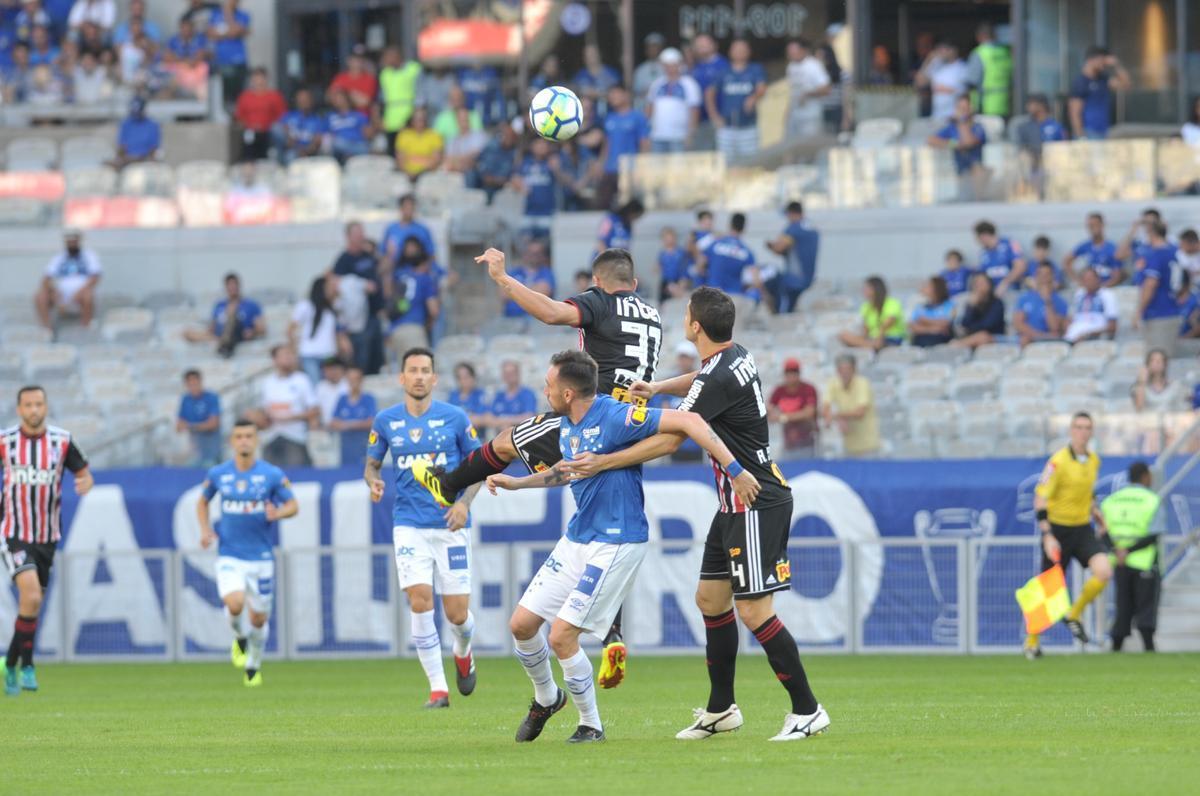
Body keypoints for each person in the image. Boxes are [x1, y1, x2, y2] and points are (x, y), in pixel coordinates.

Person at [568, 289, 826, 742]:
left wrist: (605, 460)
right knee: (710, 600)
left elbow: (671, 440)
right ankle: (721, 709)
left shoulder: (716, 378)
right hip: (733, 503)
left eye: (686, 316)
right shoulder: (733, 357)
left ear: (694, 327)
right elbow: (701, 379)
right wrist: (658, 387)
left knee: (753, 610)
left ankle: (808, 710)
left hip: (753, 498)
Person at [412, 248, 662, 689]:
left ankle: (447, 485)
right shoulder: (652, 315)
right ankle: (615, 633)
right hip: (634, 425)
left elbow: (550, 313)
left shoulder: (600, 302)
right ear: (635, 284)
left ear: (597, 282)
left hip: (595, 416)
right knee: (603, 523)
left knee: (508, 441)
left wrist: (503, 279)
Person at [487, 348, 759, 743]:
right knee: (521, 625)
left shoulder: (614, 415)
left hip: (616, 541)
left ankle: (591, 725)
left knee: (561, 637)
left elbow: (689, 421)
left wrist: (735, 470)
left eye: (549, 385)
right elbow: (567, 471)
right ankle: (547, 698)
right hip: (578, 537)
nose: (544, 390)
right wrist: (518, 483)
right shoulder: (568, 423)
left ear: (566, 394)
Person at [364, 347, 482, 708]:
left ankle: (463, 650)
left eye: (425, 370)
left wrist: (463, 503)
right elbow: (372, 465)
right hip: (409, 523)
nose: (418, 376)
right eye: (412, 370)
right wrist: (373, 480)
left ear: (434, 379)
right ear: (401, 378)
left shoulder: (455, 418)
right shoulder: (386, 421)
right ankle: (438, 689)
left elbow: (480, 467)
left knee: (457, 615)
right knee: (419, 601)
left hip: (450, 524)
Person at [1, 386, 93, 696]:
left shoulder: (62, 441)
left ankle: (9, 661)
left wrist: (84, 482)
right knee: (32, 597)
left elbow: (83, 471)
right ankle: (27, 665)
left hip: (47, 537)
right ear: (19, 409)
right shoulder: (6, 442)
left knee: (31, 604)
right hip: (14, 533)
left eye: (39, 404)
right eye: (28, 405)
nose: (34, 410)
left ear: (46, 406)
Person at [196, 418, 298, 687]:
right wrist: (205, 530)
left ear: (256, 440)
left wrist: (278, 513)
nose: (243, 440)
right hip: (230, 554)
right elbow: (202, 501)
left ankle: (253, 664)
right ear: (231, 441)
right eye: (238, 436)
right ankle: (239, 636)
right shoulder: (219, 474)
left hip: (262, 557)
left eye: (248, 436)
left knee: (259, 617)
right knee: (235, 603)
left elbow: (293, 505)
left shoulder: (271, 474)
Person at [1027, 412, 1112, 659]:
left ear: (1092, 432)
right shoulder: (1058, 461)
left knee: (1104, 571)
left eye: (1087, 427)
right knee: (1048, 588)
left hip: (1082, 528)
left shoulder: (1094, 461)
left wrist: (1096, 511)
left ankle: (1074, 614)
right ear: (1071, 431)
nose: (1083, 432)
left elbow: (1087, 493)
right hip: (1058, 529)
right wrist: (1047, 534)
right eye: (1078, 427)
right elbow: (1040, 497)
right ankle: (1032, 641)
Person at [1101, 462, 1162, 653]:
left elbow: (1103, 531)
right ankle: (1149, 649)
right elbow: (1154, 534)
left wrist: (1117, 551)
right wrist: (1129, 551)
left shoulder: (1111, 500)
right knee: (1146, 606)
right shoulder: (1151, 500)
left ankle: (1116, 648)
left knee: (1123, 605)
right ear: (1144, 476)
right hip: (1143, 561)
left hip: (1119, 562)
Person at [331, 221, 384, 374]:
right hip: (357, 320)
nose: (361, 237)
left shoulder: (368, 256)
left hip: (374, 314)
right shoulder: (343, 260)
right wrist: (360, 286)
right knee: (362, 357)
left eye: (362, 233)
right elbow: (337, 286)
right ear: (348, 237)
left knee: (377, 356)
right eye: (357, 234)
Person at [253, 345, 318, 468]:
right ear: (274, 360)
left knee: (297, 478)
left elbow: (314, 410)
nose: (288, 358)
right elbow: (264, 410)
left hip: (295, 437)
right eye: (284, 355)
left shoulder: (301, 379)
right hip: (271, 437)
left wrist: (288, 417)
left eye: (290, 355)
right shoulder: (268, 382)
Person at [708, 38, 766, 160]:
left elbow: (762, 88)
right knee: (726, 163)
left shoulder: (755, 69)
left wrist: (753, 97)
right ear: (730, 52)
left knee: (750, 162)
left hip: (748, 127)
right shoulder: (723, 72)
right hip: (726, 127)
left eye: (742, 49)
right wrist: (714, 116)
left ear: (748, 52)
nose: (739, 52)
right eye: (736, 49)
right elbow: (709, 93)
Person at [34, 228, 101, 331]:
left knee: (88, 295)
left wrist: (79, 292)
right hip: (62, 296)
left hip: (81, 295)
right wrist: (55, 293)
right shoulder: (59, 258)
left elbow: (95, 278)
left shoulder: (89, 256)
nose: (72, 243)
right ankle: (47, 330)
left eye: (74, 240)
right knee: (40, 295)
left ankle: (86, 328)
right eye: (69, 241)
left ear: (79, 240)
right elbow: (46, 279)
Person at [595, 85, 649, 211]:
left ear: (626, 95)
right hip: (610, 168)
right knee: (603, 204)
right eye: (610, 95)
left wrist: (642, 165)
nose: (612, 97)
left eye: (616, 93)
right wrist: (601, 164)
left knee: (628, 205)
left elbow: (644, 143)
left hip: (629, 168)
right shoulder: (609, 118)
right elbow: (606, 144)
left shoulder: (637, 117)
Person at [185, 271, 265, 356]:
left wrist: (252, 332)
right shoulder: (219, 305)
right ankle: (223, 341)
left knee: (232, 316)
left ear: (239, 286)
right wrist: (209, 331)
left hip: (240, 333)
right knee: (187, 332)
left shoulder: (251, 305)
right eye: (229, 285)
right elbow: (212, 327)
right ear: (226, 287)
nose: (232, 288)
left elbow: (262, 328)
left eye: (234, 285)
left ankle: (225, 344)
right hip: (219, 335)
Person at [386, 236, 440, 357]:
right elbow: (434, 310)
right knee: (420, 369)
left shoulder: (401, 277)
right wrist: (430, 323)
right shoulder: (425, 279)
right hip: (414, 329)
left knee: (405, 372)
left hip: (396, 330)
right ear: (424, 263)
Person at [1135, 220, 1182, 355]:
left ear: (1152, 233)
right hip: (1172, 309)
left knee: (1157, 359)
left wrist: (1139, 311)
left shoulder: (1155, 254)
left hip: (1158, 313)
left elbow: (1150, 284)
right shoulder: (1174, 251)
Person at [822, 354, 879, 457]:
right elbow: (826, 405)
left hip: (868, 446)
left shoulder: (862, 383)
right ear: (837, 370)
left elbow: (860, 412)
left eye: (848, 368)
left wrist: (836, 416)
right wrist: (829, 417)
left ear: (854, 369)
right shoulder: (833, 383)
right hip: (849, 446)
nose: (845, 372)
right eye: (841, 369)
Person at [290, 276, 345, 384]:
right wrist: (294, 351)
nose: (331, 290)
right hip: (309, 354)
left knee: (329, 387)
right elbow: (291, 329)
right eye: (328, 287)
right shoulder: (305, 306)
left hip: (329, 354)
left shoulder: (332, 308)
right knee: (315, 386)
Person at [646, 47, 701, 154]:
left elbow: (694, 111)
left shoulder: (689, 84)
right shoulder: (657, 84)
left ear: (680, 65)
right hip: (657, 136)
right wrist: (646, 133)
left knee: (678, 169)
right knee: (657, 169)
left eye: (673, 64)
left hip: (680, 136)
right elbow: (649, 109)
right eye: (666, 65)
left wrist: (690, 134)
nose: (670, 68)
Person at [1068, 46, 1130, 140]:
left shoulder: (1103, 79)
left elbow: (1126, 85)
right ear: (1091, 60)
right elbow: (1075, 112)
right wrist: (1080, 136)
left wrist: (1116, 65)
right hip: (1088, 133)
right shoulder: (1081, 82)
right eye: (1101, 60)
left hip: (1104, 132)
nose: (1104, 63)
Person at [768, 358, 819, 458]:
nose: (791, 376)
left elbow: (809, 413)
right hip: (788, 443)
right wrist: (773, 414)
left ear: (799, 374)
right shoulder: (779, 390)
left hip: (807, 441)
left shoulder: (808, 389)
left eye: (794, 372)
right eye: (788, 373)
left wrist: (784, 418)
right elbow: (769, 409)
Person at [697, 212, 757, 297]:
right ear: (744, 228)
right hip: (733, 298)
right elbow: (755, 280)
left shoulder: (714, 244)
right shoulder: (746, 252)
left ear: (730, 225)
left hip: (713, 295)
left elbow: (700, 266)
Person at [839, 276, 906, 351]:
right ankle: (871, 345)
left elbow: (886, 325)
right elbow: (866, 328)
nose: (864, 291)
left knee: (877, 341)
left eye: (867, 288)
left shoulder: (892, 303)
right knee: (844, 335)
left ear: (876, 289)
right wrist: (861, 338)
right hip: (872, 339)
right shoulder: (865, 306)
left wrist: (878, 337)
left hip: (890, 338)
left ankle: (870, 345)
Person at [513, 136, 562, 237]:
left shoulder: (552, 162)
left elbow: (563, 182)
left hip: (548, 212)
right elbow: (514, 178)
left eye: (544, 144)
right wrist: (519, 185)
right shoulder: (525, 162)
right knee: (525, 243)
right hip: (528, 211)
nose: (542, 147)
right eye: (538, 144)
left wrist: (557, 170)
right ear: (532, 146)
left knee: (547, 245)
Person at [234, 66, 286, 162]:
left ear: (266, 79)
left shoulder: (274, 96)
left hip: (268, 131)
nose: (259, 82)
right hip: (250, 131)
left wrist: (266, 125)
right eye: (256, 79)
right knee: (248, 137)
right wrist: (249, 125)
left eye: (261, 79)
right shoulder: (245, 97)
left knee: (276, 133)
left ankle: (279, 161)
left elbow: (282, 117)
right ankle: (248, 162)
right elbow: (239, 117)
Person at [688, 33, 729, 150]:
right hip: (700, 121)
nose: (701, 47)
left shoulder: (723, 65)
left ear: (714, 45)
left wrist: (716, 116)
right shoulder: (695, 68)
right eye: (698, 45)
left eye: (705, 44)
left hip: (720, 120)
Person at [329, 365, 376, 467]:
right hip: (346, 448)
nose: (353, 382)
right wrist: (358, 424)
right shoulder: (342, 399)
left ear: (361, 380)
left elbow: (371, 422)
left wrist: (347, 425)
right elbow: (333, 423)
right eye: (350, 379)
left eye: (356, 379)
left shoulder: (368, 399)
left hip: (363, 446)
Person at [378, 46, 421, 155]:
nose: (385, 60)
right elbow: (383, 98)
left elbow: (420, 94)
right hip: (391, 119)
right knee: (393, 151)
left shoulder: (413, 69)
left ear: (396, 56)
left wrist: (412, 117)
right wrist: (381, 118)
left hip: (409, 116)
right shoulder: (385, 74)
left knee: (409, 149)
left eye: (387, 57)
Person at [1012, 262, 1068, 346]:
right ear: (1036, 276)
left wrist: (1047, 301)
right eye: (1040, 274)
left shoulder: (1060, 301)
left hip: (1048, 340)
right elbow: (1018, 323)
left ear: (1052, 276)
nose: (1043, 277)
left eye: (1047, 274)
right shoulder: (1025, 298)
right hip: (1029, 337)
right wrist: (1038, 335)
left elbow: (1054, 328)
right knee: (1024, 339)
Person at [784, 38, 830, 139]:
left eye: (793, 51)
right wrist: (788, 112)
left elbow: (826, 89)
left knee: (809, 149)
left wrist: (808, 94)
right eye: (789, 51)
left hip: (810, 116)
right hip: (795, 115)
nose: (790, 54)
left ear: (803, 50)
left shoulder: (813, 65)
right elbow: (793, 91)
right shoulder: (791, 67)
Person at [1064, 212, 1123, 287]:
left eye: (1096, 225)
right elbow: (1066, 262)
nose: (1093, 228)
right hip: (1088, 290)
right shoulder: (1085, 246)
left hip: (1106, 289)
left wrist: (1101, 288)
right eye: (1090, 226)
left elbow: (1117, 275)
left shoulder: (1112, 248)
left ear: (1102, 225)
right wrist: (1078, 281)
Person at [177, 369, 222, 467]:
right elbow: (179, 426)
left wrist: (191, 426)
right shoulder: (186, 399)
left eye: (195, 383)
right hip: (195, 451)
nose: (193, 387)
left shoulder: (211, 397)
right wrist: (202, 426)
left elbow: (214, 424)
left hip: (212, 450)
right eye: (190, 384)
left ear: (200, 382)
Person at [965, 22, 1011, 117]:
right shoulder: (1005, 52)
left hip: (985, 104)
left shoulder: (980, 53)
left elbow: (972, 81)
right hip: (1006, 102)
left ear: (980, 36)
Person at [208, 0, 249, 105]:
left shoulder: (243, 15)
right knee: (222, 92)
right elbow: (211, 34)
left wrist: (228, 14)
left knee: (239, 92)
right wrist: (229, 32)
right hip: (221, 60)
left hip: (238, 60)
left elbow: (236, 31)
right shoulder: (215, 14)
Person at [1064, 267, 1119, 343]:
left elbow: (1112, 326)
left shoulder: (1107, 295)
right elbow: (1069, 318)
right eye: (1085, 280)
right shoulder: (1079, 294)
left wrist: (1088, 334)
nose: (1088, 283)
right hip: (1074, 332)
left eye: (1090, 280)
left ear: (1098, 280)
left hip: (1094, 334)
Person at [952, 272, 1006, 349]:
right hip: (974, 336)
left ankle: (957, 345)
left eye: (983, 282)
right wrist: (971, 307)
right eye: (977, 283)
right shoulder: (972, 303)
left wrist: (971, 328)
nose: (980, 286)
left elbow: (988, 325)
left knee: (982, 336)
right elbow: (965, 323)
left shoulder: (997, 303)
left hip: (993, 336)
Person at [915, 40, 967, 121]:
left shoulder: (962, 67)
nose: (940, 52)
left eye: (944, 49)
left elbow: (964, 92)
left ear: (953, 50)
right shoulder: (936, 65)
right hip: (937, 116)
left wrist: (945, 89)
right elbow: (920, 82)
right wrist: (928, 60)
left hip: (954, 117)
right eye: (939, 50)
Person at [382, 194, 436, 270]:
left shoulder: (423, 230)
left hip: (419, 271)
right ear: (401, 208)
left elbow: (431, 255)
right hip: (396, 271)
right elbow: (383, 254)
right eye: (406, 207)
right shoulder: (391, 229)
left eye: (412, 207)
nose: (409, 210)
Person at [974, 220, 1027, 297]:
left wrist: (1005, 283)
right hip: (992, 296)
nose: (978, 241)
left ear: (984, 235)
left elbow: (1020, 266)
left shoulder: (1010, 244)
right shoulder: (983, 253)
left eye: (978, 237)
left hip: (1011, 292)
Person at [325, 86, 373, 165]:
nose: (337, 101)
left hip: (357, 144)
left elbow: (367, 133)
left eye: (340, 98)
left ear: (347, 99)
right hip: (338, 146)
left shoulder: (358, 115)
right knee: (335, 142)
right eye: (335, 99)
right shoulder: (330, 117)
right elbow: (326, 134)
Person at [113, 96, 161, 168]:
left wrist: (139, 159)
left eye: (138, 112)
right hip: (127, 161)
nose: (136, 115)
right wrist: (122, 158)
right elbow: (121, 147)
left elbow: (153, 149)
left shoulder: (152, 125)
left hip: (145, 160)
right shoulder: (126, 124)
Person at [489, 361, 538, 431]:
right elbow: (490, 419)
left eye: (512, 373)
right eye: (506, 373)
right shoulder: (499, 395)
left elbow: (529, 417)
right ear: (502, 375)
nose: (509, 376)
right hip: (500, 437)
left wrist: (505, 421)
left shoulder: (528, 394)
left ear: (518, 374)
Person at [909, 276, 955, 347]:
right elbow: (913, 327)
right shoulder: (920, 307)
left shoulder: (950, 305)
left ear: (937, 288)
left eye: (928, 286)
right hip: (921, 339)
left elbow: (946, 324)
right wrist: (932, 329)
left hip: (940, 340)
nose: (924, 288)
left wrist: (924, 320)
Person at [327, 44, 376, 111]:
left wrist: (345, 94)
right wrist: (354, 96)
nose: (358, 63)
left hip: (362, 117)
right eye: (355, 59)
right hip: (343, 117)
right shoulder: (340, 77)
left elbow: (365, 102)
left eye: (360, 59)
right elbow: (329, 97)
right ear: (348, 60)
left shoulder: (370, 79)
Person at [447, 362, 489, 433]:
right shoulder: (453, 395)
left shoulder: (480, 395)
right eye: (459, 377)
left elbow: (485, 419)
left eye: (466, 377)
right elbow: (448, 418)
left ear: (473, 377)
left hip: (477, 438)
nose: (463, 381)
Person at [657, 226, 693, 301]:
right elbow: (660, 266)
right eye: (665, 238)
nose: (668, 240)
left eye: (670, 238)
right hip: (666, 282)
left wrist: (682, 283)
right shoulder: (663, 253)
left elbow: (685, 269)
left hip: (679, 281)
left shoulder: (681, 253)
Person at [631, 33, 665, 110]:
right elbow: (635, 91)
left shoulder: (667, 67)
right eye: (650, 47)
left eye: (656, 47)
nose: (653, 50)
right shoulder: (640, 70)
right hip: (644, 108)